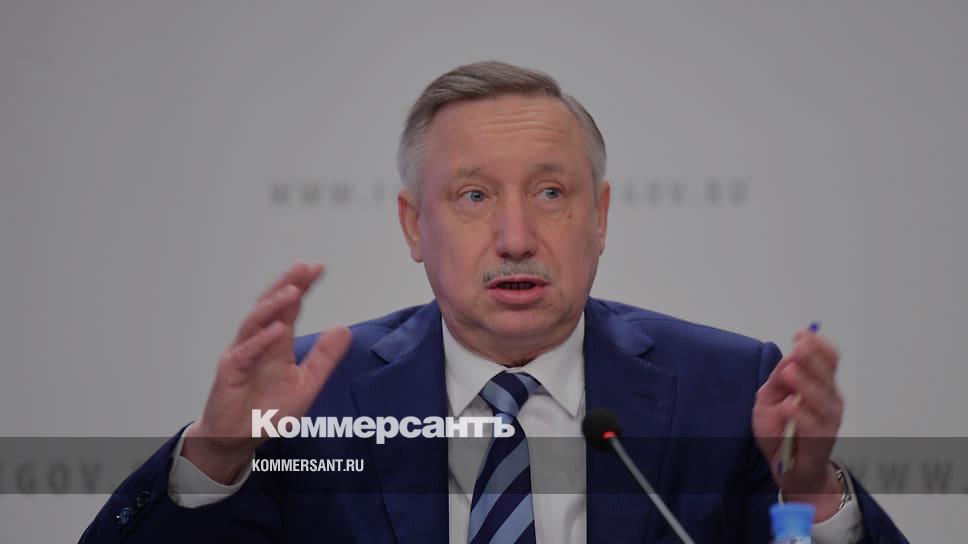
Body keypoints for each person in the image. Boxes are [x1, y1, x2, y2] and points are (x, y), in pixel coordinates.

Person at [81, 61, 906, 543]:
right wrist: (216, 458)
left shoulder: (728, 390)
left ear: (600, 217)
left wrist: (809, 493)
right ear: (414, 225)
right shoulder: (310, 399)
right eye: (473, 197)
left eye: (550, 193)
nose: (516, 237)